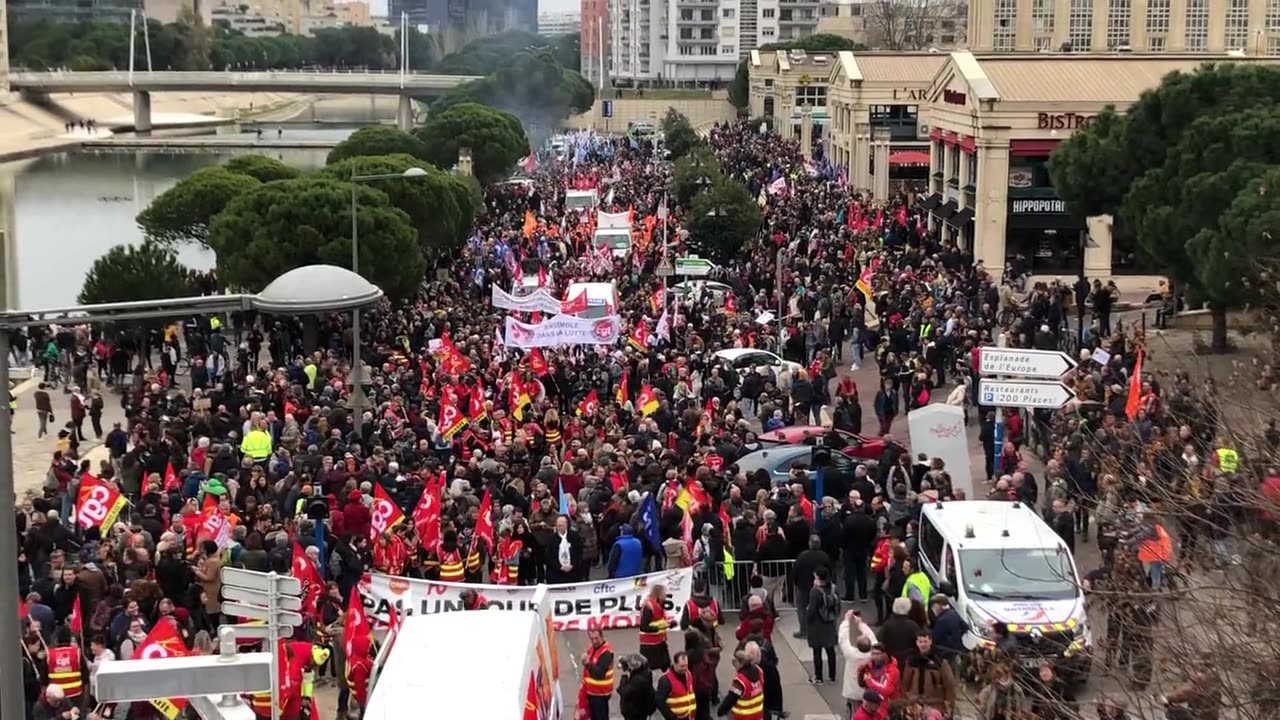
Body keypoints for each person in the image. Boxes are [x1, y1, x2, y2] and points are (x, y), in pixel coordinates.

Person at [901, 631, 957, 717]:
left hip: (935, 705)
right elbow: (905, 684)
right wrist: (904, 701)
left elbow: (949, 685)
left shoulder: (940, 662)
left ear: (930, 642)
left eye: (925, 641)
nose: (923, 644)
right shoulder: (911, 661)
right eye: (920, 642)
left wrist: (949, 707)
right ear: (917, 643)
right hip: (914, 704)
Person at [805, 566, 840, 685]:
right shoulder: (833, 588)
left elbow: (812, 610)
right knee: (830, 650)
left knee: (817, 651)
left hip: (817, 624)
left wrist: (807, 619)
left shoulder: (815, 591)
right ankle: (832, 675)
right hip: (829, 623)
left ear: (818, 578)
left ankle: (818, 676)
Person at [837, 610, 878, 714]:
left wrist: (846, 620)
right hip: (867, 690)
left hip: (853, 691)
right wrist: (860, 624)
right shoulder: (872, 655)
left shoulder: (851, 655)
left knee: (854, 713)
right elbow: (873, 638)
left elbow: (843, 639)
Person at [792, 534, 830, 638]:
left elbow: (796, 570)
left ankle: (804, 631)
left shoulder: (802, 556)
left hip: (803, 586)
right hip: (820, 587)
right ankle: (820, 630)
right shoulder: (824, 556)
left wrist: (795, 582)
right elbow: (829, 571)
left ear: (809, 543)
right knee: (820, 608)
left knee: (801, 608)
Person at [717, 644, 765, 719]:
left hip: (744, 717)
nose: (734, 667)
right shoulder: (759, 671)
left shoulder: (740, 681)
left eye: (734, 663)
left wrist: (721, 710)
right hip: (758, 715)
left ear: (739, 662)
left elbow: (731, 698)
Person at [580, 628, 615, 720]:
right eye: (592, 639)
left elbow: (599, 673)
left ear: (601, 636)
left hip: (600, 694)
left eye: (596, 638)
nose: (594, 641)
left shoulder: (606, 653)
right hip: (592, 693)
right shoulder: (591, 649)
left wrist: (587, 664)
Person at [638, 583, 672, 670]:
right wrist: (658, 628)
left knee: (666, 665)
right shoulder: (649, 607)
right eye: (664, 593)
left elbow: (659, 620)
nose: (665, 595)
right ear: (659, 594)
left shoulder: (659, 604)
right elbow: (643, 627)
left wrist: (669, 624)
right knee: (648, 669)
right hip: (649, 644)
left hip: (660, 641)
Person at [656, 650, 698, 719]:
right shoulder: (665, 680)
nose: (684, 669)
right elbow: (659, 701)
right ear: (675, 664)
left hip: (690, 716)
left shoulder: (688, 674)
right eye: (681, 666)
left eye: (686, 666)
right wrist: (671, 717)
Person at [618, 654, 656, 720]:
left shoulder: (638, 680)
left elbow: (624, 691)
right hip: (636, 713)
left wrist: (623, 679)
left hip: (636, 715)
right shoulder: (643, 676)